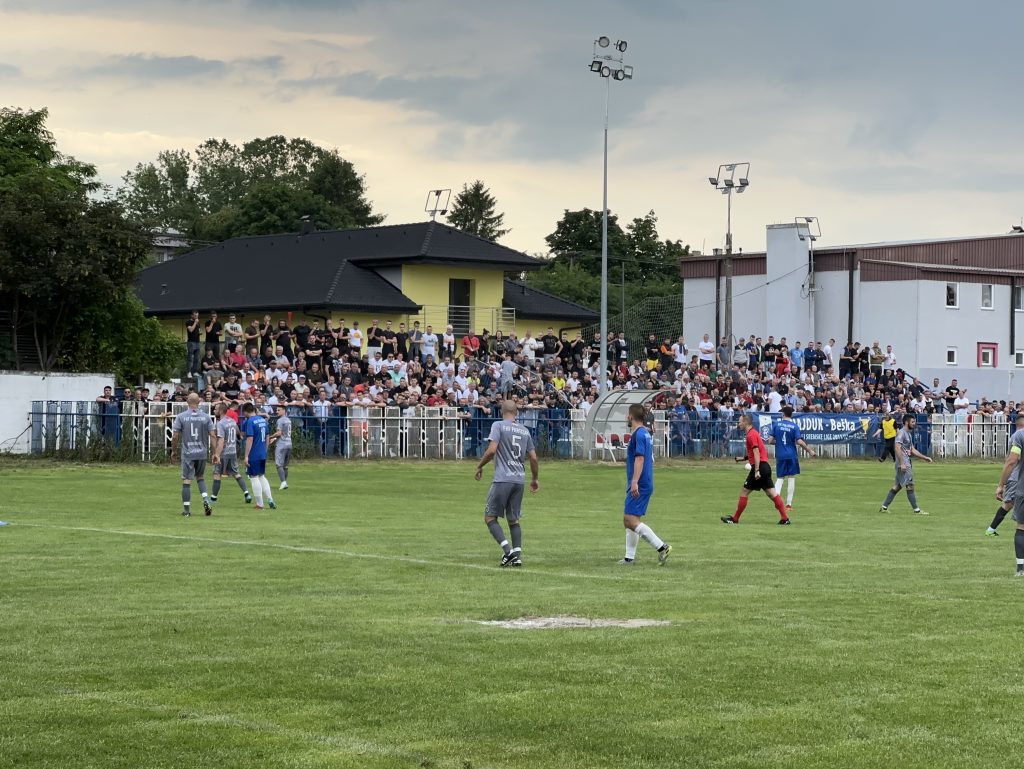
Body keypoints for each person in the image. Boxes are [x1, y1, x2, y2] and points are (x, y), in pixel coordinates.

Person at [474, 400, 539, 567]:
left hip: (503, 478)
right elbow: (533, 457)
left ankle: (508, 552)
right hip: (519, 480)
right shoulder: (525, 430)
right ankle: (517, 556)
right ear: (516, 412)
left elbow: (492, 450)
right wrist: (534, 478)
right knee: (513, 519)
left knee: (489, 517)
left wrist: (480, 465)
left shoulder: (498, 425)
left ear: (502, 412)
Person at [619, 403, 672, 564]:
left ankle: (661, 546)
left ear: (631, 416)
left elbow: (640, 458)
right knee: (630, 519)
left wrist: (634, 481)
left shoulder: (639, 434)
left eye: (628, 415)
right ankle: (629, 558)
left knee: (630, 519)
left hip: (640, 482)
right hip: (643, 481)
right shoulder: (645, 433)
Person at [721, 412, 791, 525]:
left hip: (760, 468)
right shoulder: (753, 433)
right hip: (765, 467)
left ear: (745, 422)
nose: (738, 424)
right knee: (772, 494)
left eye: (739, 422)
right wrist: (743, 458)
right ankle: (785, 518)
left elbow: (756, 452)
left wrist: (757, 470)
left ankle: (735, 519)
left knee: (744, 492)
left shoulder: (751, 435)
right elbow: (755, 452)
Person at [171, 392, 216, 517]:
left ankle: (186, 510)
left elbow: (175, 436)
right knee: (200, 477)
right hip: (201, 453)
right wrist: (214, 452)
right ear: (199, 402)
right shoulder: (206, 417)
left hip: (188, 453)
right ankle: (206, 501)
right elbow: (212, 435)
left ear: (187, 402)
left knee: (187, 480)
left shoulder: (181, 416)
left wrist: (173, 451)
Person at [879, 413, 932, 514]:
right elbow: (897, 447)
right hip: (903, 464)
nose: (914, 423)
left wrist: (924, 458)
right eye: (912, 422)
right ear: (906, 422)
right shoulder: (901, 433)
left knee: (898, 485)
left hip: (905, 462)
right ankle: (917, 510)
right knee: (910, 485)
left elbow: (911, 450)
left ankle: (884, 507)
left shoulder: (908, 434)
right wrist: (902, 463)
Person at [768, 405, 815, 512]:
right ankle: (788, 505)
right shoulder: (794, 426)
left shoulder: (776, 424)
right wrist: (809, 450)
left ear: (783, 414)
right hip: (792, 455)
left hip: (780, 455)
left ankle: (777, 502)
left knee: (780, 478)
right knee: (791, 478)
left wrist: (779, 442)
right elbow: (799, 441)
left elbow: (770, 441)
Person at [988, 414, 1024, 537]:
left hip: (1017, 475)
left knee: (1009, 504)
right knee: (1009, 504)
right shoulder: (1018, 436)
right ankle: (991, 529)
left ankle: (991, 529)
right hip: (1016, 476)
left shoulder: (1015, 436)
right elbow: (1014, 458)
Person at [996, 418, 1024, 575]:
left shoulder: (1020, 436)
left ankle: (1021, 568)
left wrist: (1001, 484)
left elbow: (1012, 461)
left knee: (1022, 526)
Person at [210, 402, 252, 505]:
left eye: (215, 409)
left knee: (216, 474)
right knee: (236, 473)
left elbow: (221, 440)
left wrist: (217, 455)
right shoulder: (232, 421)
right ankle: (247, 493)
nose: (214, 411)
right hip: (233, 451)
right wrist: (238, 438)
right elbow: (238, 433)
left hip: (224, 452)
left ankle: (213, 499)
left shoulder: (220, 423)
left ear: (220, 411)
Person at [242, 402, 276, 510]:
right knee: (261, 476)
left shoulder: (250, 421)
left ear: (246, 411)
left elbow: (250, 438)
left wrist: (246, 455)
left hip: (254, 453)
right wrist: (265, 450)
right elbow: (267, 436)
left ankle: (260, 503)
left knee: (254, 477)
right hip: (262, 453)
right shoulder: (262, 420)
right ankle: (270, 499)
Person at [268, 403, 293, 490]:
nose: (276, 411)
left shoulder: (280, 420)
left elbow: (279, 433)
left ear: (284, 411)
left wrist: (270, 437)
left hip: (281, 444)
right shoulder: (289, 420)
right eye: (276, 410)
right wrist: (274, 439)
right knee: (285, 466)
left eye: (279, 410)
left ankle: (283, 482)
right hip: (289, 443)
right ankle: (284, 482)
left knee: (279, 464)